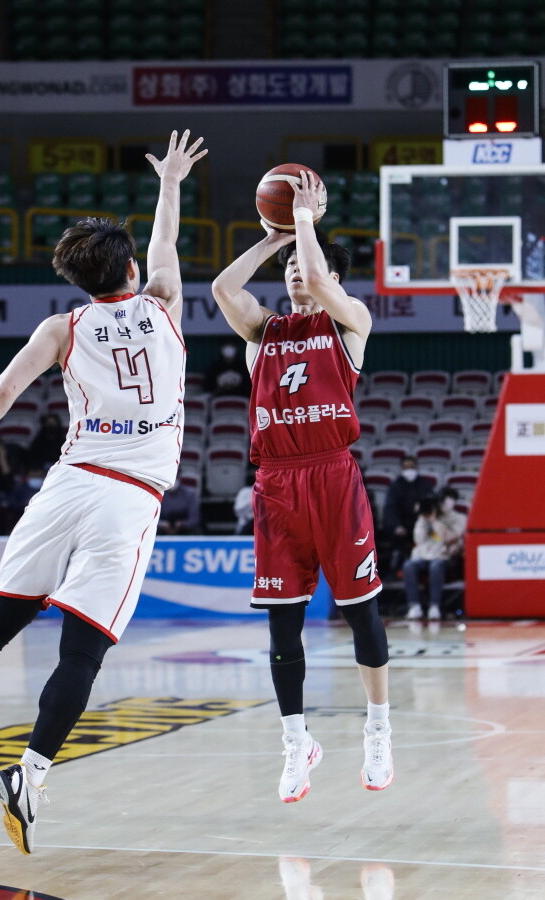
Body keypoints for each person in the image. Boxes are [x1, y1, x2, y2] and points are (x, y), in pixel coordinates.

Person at [0, 129, 207, 855]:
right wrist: (171, 183)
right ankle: (29, 775)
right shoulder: (163, 303)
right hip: (128, 499)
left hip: (67, 485)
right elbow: (165, 242)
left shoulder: (62, 327)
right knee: (81, 654)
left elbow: (2, 391)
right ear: (130, 267)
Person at [212, 170, 392, 803]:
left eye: (304, 266)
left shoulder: (351, 323)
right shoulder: (263, 334)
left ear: (336, 280)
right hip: (277, 485)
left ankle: (378, 730)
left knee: (362, 612)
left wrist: (306, 223)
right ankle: (296, 743)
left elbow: (317, 279)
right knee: (283, 626)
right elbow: (222, 288)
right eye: (286, 268)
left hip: (334, 476)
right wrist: (273, 238)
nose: (295, 272)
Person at [403, 487, 467, 621]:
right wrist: (423, 518)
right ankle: (414, 606)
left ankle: (435, 606)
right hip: (423, 555)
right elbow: (418, 539)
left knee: (435, 566)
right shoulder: (423, 518)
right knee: (409, 566)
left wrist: (435, 521)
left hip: (444, 556)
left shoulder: (459, 518)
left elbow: (449, 538)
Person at [382, 455, 434, 574]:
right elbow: (390, 509)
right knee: (394, 534)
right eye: (406, 467)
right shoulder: (395, 485)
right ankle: (396, 569)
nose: (409, 470)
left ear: (416, 467)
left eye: (411, 467)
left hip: (422, 523)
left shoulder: (425, 484)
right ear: (401, 468)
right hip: (402, 525)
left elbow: (431, 504)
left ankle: (426, 568)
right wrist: (397, 526)